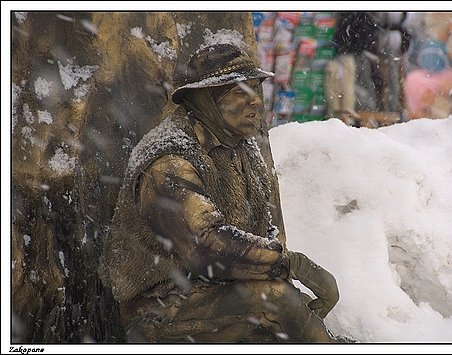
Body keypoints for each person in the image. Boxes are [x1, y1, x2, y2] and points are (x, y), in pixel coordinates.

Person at [98, 43, 345, 343]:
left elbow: (264, 232)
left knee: (288, 312)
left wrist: (284, 276)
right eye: (240, 91)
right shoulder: (169, 161)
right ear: (205, 99)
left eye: (256, 88)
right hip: (160, 311)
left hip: (218, 293)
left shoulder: (243, 148)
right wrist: (291, 265)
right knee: (276, 300)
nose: (255, 101)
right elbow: (209, 248)